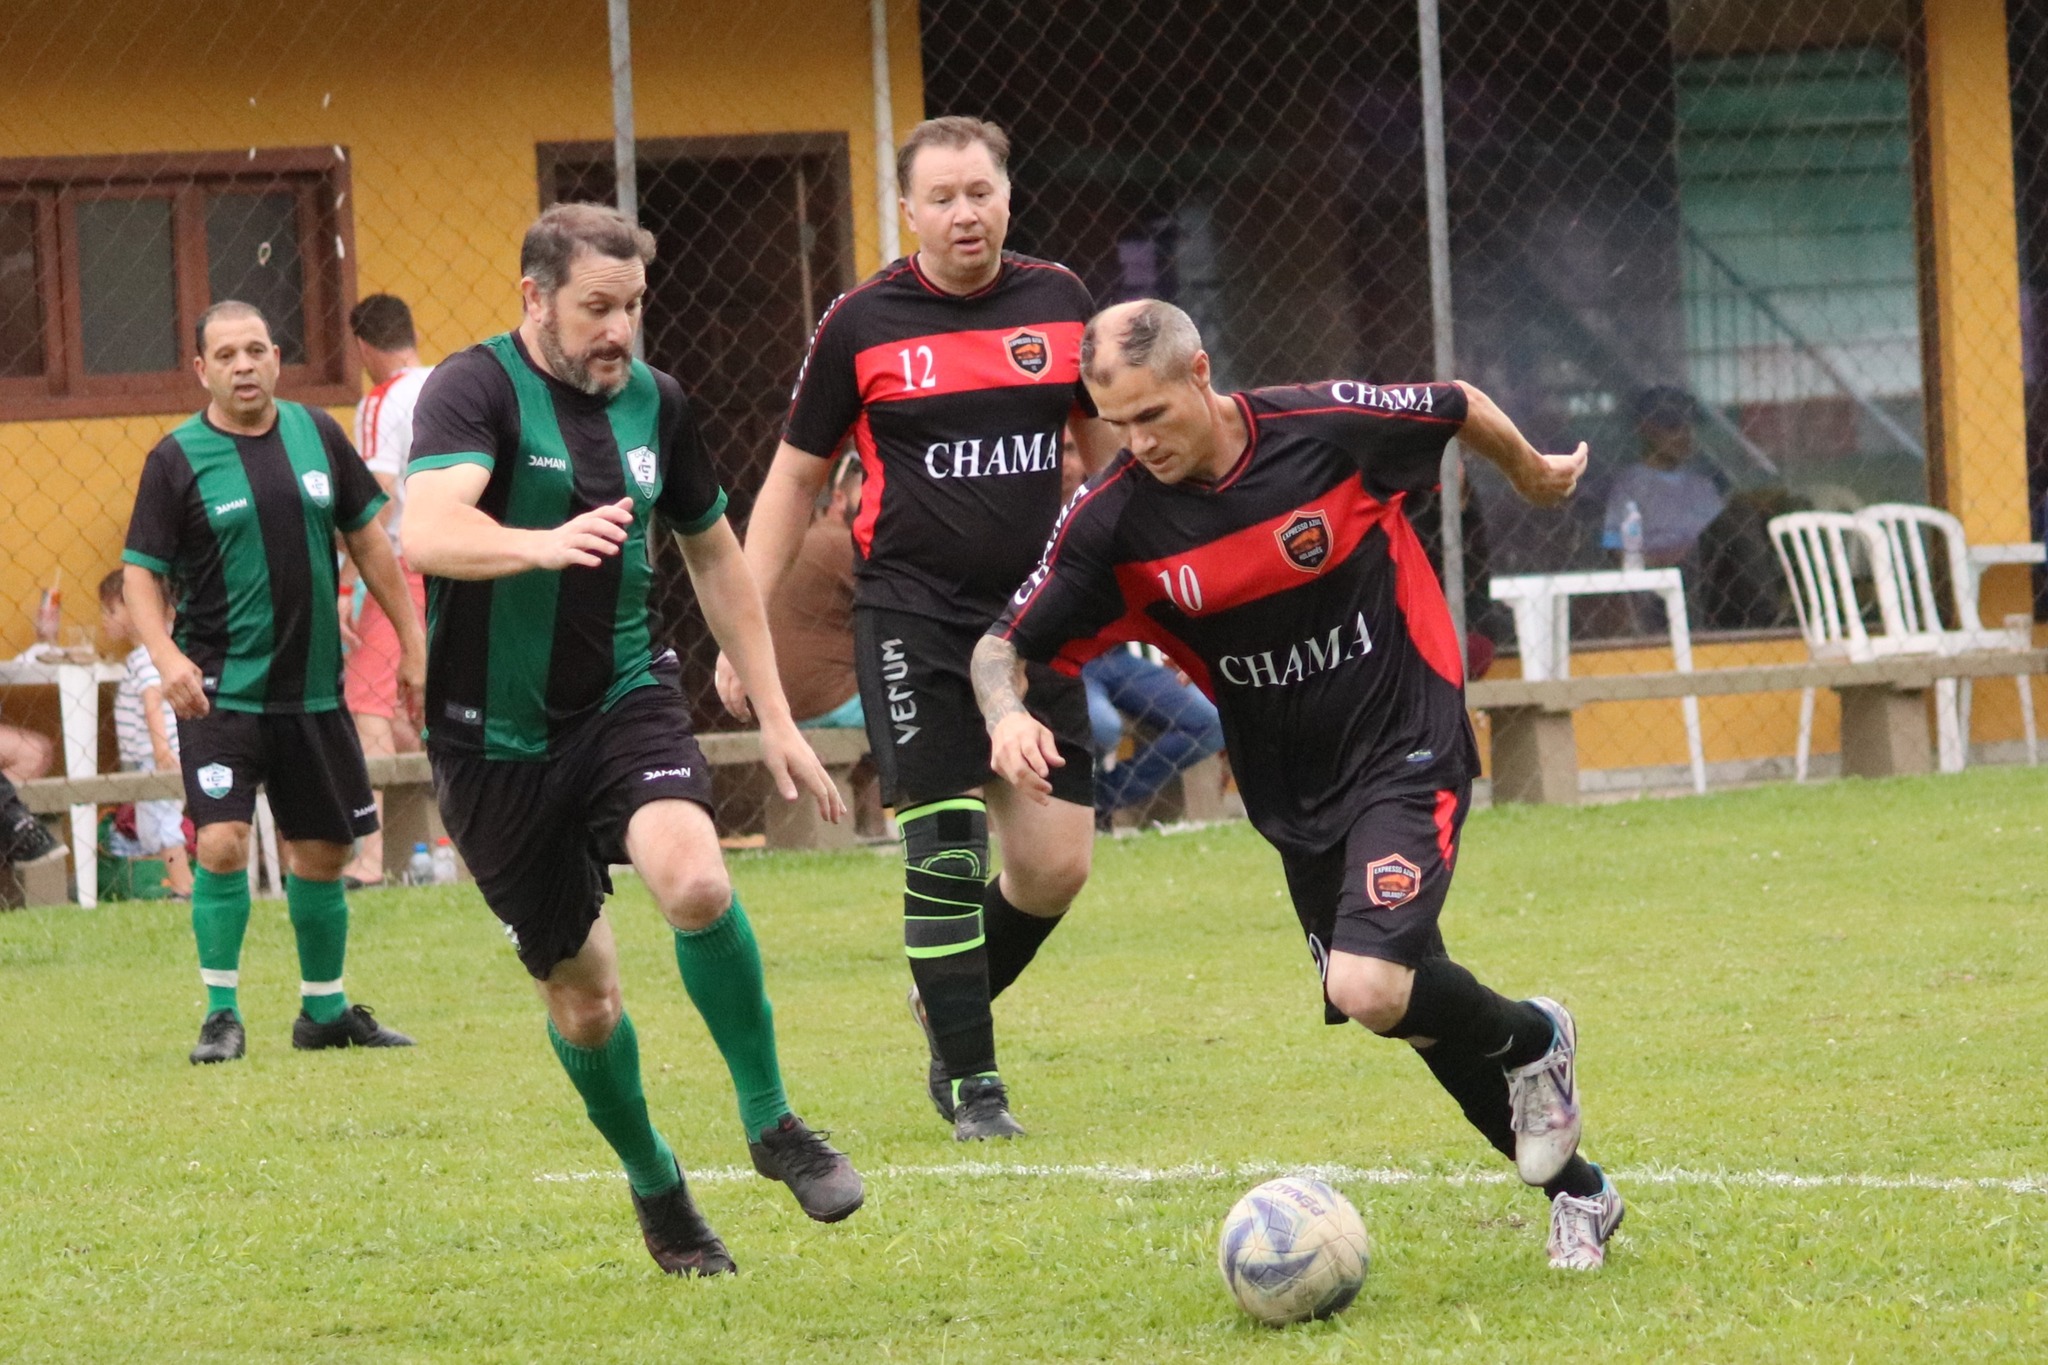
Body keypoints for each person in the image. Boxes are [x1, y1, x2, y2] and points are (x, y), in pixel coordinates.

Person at [974, 300, 1625, 1271]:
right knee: (1407, 1009)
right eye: (1116, 423)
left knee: (1366, 983)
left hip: (1407, 736)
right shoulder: (1114, 521)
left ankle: (1535, 1040)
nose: (1136, 441)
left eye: (1152, 414)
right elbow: (1000, 645)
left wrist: (1528, 471)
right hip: (1292, 790)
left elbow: (1451, 403)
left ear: (1201, 376)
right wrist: (1005, 714)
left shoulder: (1322, 430)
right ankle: (1579, 1190)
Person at [402, 202, 862, 1278]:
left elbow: (711, 555)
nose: (617, 332)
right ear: (534, 298)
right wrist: (537, 542)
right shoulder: (472, 390)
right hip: (490, 741)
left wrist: (779, 714)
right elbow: (426, 529)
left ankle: (772, 1123)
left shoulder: (658, 404)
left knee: (695, 882)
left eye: (632, 309)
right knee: (586, 993)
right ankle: (658, 1185)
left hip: (623, 694)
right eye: (594, 308)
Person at [717, 116, 1119, 1140]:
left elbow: (1109, 453)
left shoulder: (1059, 303)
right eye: (940, 197)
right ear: (907, 213)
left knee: (1054, 864)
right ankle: (975, 1087)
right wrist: (742, 626)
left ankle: (947, 990)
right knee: (941, 846)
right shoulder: (860, 323)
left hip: (1032, 623)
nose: (963, 212)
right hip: (905, 617)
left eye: (978, 191)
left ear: (1005, 197)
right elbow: (791, 483)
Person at [121, 300, 423, 1066]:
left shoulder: (317, 433)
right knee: (221, 843)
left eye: (255, 349)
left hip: (315, 693)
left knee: (323, 852)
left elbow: (372, 543)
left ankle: (322, 1011)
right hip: (219, 692)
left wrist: (414, 645)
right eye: (225, 355)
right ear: (201, 370)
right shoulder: (176, 458)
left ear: (276, 357)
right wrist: (168, 658)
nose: (243, 365)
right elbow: (141, 577)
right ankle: (221, 1013)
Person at [1061, 429, 1224, 824]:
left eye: (1070, 449)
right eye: (1056, 452)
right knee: (1101, 727)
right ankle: (1083, 810)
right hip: (1064, 663)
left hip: (1119, 656)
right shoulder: (1025, 524)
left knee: (1209, 723)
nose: (1065, 463)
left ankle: (1099, 801)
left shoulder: (1111, 507)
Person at [340, 293, 435, 888]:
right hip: (464, 558)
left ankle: (372, 858)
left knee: (368, 706)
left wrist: (346, 579)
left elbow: (376, 497)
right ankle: (433, 845)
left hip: (404, 567)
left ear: (364, 347)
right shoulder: (451, 382)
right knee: (430, 709)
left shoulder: (382, 402)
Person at [98, 570, 193, 898]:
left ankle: (185, 887)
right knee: (153, 827)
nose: (104, 620)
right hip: (149, 758)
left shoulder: (146, 657)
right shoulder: (152, 654)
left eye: (111, 611)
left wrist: (161, 749)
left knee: (163, 824)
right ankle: (178, 884)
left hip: (157, 758)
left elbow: (154, 701)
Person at [767, 452, 865, 731]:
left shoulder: (813, 539)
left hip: (794, 707)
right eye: (865, 497)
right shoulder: (841, 544)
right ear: (838, 500)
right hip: (836, 702)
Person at [1602, 386, 1725, 568]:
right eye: (1673, 426)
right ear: (1646, 428)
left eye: (1689, 426)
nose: (1684, 435)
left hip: (1712, 575)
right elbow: (1623, 553)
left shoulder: (1703, 486)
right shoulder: (1630, 486)